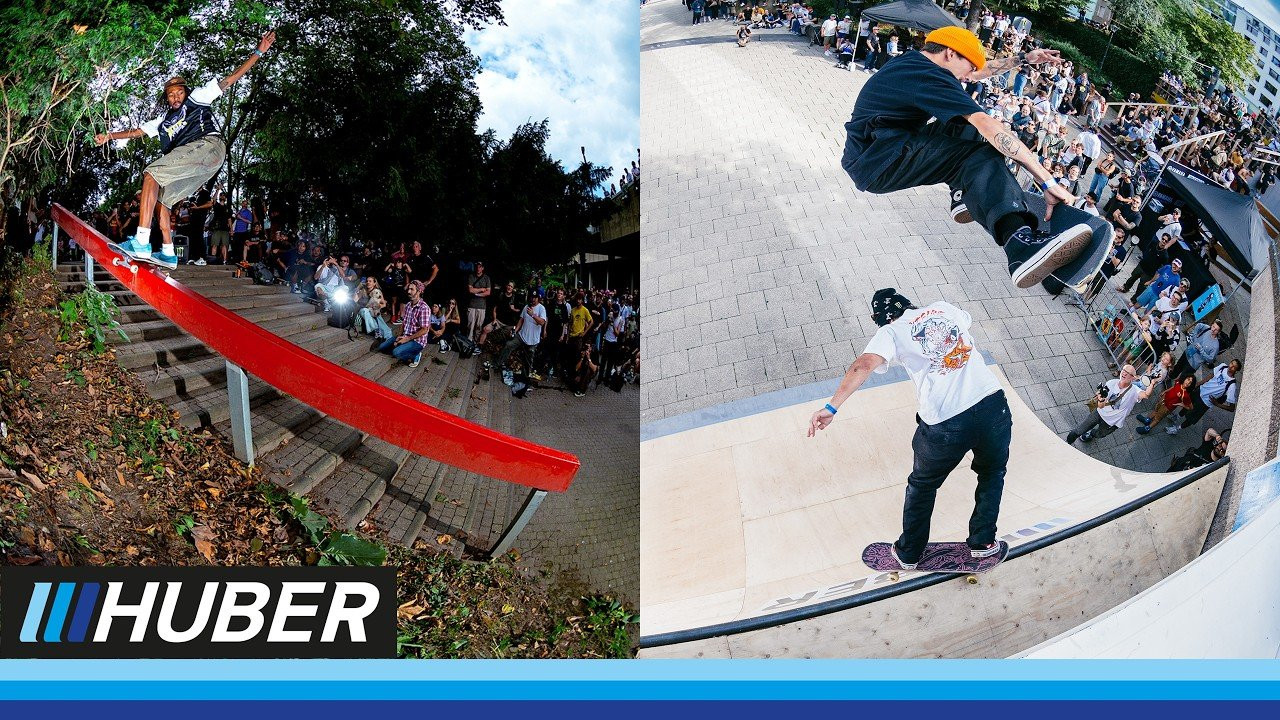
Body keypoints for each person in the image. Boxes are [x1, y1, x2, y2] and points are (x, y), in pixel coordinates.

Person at [841, 28, 1091, 291]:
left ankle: (962, 194)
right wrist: (1047, 182)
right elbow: (989, 125)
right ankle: (1020, 245)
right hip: (880, 162)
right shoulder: (929, 78)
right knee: (980, 150)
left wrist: (1025, 58)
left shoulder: (916, 62)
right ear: (950, 53)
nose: (969, 77)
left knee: (965, 122)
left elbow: (979, 71)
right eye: (968, 68)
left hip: (876, 149)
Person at [808, 289, 1011, 569]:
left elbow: (863, 365)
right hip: (993, 405)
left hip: (946, 422)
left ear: (881, 319)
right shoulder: (943, 307)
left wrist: (831, 408)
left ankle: (909, 552)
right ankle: (983, 542)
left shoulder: (891, 331)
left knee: (922, 485)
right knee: (992, 472)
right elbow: (965, 321)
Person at [94, 31, 276, 268]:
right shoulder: (161, 121)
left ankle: (141, 240)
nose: (176, 97)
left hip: (208, 145)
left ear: (186, 92)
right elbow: (136, 131)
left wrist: (258, 52)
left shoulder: (198, 98)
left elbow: (230, 80)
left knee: (151, 174)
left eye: (179, 92)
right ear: (167, 99)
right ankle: (169, 253)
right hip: (203, 165)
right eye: (171, 95)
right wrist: (109, 136)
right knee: (164, 200)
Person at [1065, 364, 1155, 444]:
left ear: (1132, 378)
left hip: (1113, 421)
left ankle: (1091, 434)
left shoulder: (1135, 390)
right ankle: (1067, 443)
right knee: (1078, 431)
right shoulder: (1111, 383)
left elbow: (1146, 395)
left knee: (1100, 435)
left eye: (1128, 373)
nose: (1124, 373)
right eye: (1124, 370)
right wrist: (1100, 400)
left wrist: (1152, 383)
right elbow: (1101, 406)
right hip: (1100, 413)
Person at [1172, 359, 1241, 434]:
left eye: (1234, 367)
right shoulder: (1223, 366)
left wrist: (1217, 404)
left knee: (1192, 418)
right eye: (1231, 363)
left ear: (1236, 371)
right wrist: (1198, 384)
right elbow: (1211, 375)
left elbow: (1232, 408)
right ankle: (1177, 417)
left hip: (1205, 402)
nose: (1231, 366)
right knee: (1186, 405)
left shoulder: (1232, 385)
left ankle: (1177, 429)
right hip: (1200, 390)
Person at [375, 281, 431, 368]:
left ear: (419, 291)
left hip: (417, 341)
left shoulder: (424, 308)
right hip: (405, 336)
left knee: (396, 353)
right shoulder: (408, 305)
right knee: (382, 347)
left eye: (412, 289)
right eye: (409, 289)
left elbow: (425, 330)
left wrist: (407, 339)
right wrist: (399, 336)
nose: (408, 291)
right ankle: (402, 347)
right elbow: (404, 322)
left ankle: (415, 354)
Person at [355, 276, 394, 341]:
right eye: (367, 281)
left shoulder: (377, 292)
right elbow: (354, 300)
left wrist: (376, 307)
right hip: (363, 310)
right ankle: (378, 329)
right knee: (365, 310)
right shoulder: (363, 291)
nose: (368, 282)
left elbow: (383, 304)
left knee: (374, 314)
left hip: (373, 311)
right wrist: (358, 288)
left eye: (370, 281)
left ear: (374, 283)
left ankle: (387, 336)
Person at [465, 261, 492, 344]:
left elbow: (488, 292)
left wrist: (476, 293)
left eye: (480, 266)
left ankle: (476, 343)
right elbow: (470, 290)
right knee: (470, 325)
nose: (478, 268)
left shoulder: (486, 278)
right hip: (472, 305)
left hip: (482, 306)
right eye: (477, 266)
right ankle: (468, 342)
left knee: (479, 326)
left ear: (482, 268)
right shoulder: (471, 276)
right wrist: (481, 290)